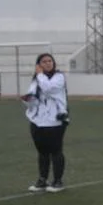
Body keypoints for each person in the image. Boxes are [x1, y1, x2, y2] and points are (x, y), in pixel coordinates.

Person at [22, 53, 69, 193]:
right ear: (39, 64)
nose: (48, 63)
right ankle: (42, 180)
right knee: (42, 152)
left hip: (55, 121)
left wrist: (40, 75)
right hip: (37, 121)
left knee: (56, 151)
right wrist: (28, 100)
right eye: (44, 61)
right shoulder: (36, 80)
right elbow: (32, 97)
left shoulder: (58, 77)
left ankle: (58, 181)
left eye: (50, 61)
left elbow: (49, 89)